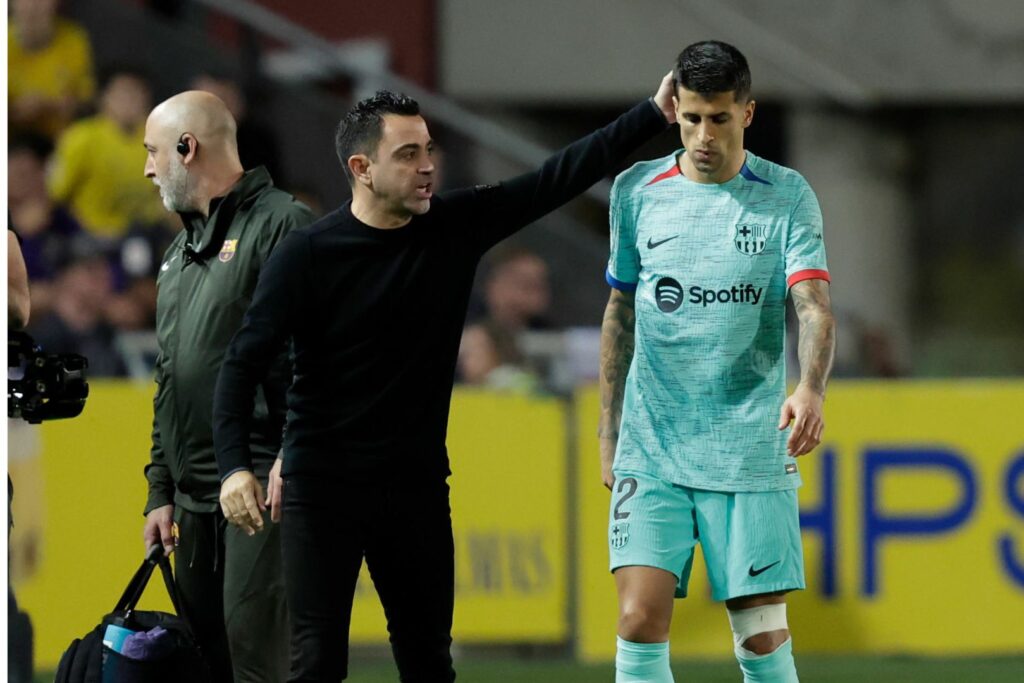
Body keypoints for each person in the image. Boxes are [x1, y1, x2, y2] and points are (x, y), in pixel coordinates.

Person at [213, 79, 676, 681]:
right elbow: (242, 363)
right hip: (321, 488)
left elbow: (556, 176)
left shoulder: (453, 226)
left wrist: (653, 113)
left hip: (416, 487)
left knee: (428, 662)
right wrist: (234, 467)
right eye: (408, 155)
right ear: (361, 167)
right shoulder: (306, 255)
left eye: (428, 149)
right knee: (318, 663)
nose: (427, 166)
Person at [598, 41, 836, 683]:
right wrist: (609, 431)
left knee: (760, 635)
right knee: (637, 621)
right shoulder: (636, 190)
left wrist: (810, 388)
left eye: (720, 119)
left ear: (748, 114)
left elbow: (812, 305)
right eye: (692, 117)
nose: (704, 135)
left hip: (748, 446)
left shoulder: (786, 195)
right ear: (673, 109)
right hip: (652, 445)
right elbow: (620, 312)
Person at [141, 90, 314, 682]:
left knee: (259, 664)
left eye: (153, 152)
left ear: (187, 149)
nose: (147, 168)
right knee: (202, 664)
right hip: (192, 501)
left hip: (262, 483)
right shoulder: (177, 253)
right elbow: (169, 378)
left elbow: (316, 353)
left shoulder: (283, 224)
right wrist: (160, 489)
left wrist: (294, 452)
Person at [48, 67, 165, 240]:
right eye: (122, 94)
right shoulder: (82, 137)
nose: (130, 101)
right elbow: (54, 195)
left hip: (141, 236)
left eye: (137, 94)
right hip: (86, 236)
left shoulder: (160, 141)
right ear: (103, 99)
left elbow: (166, 200)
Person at [8, 0, 96, 141]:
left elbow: (85, 103)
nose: (33, 6)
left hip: (61, 140)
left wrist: (48, 105)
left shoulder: (73, 39)